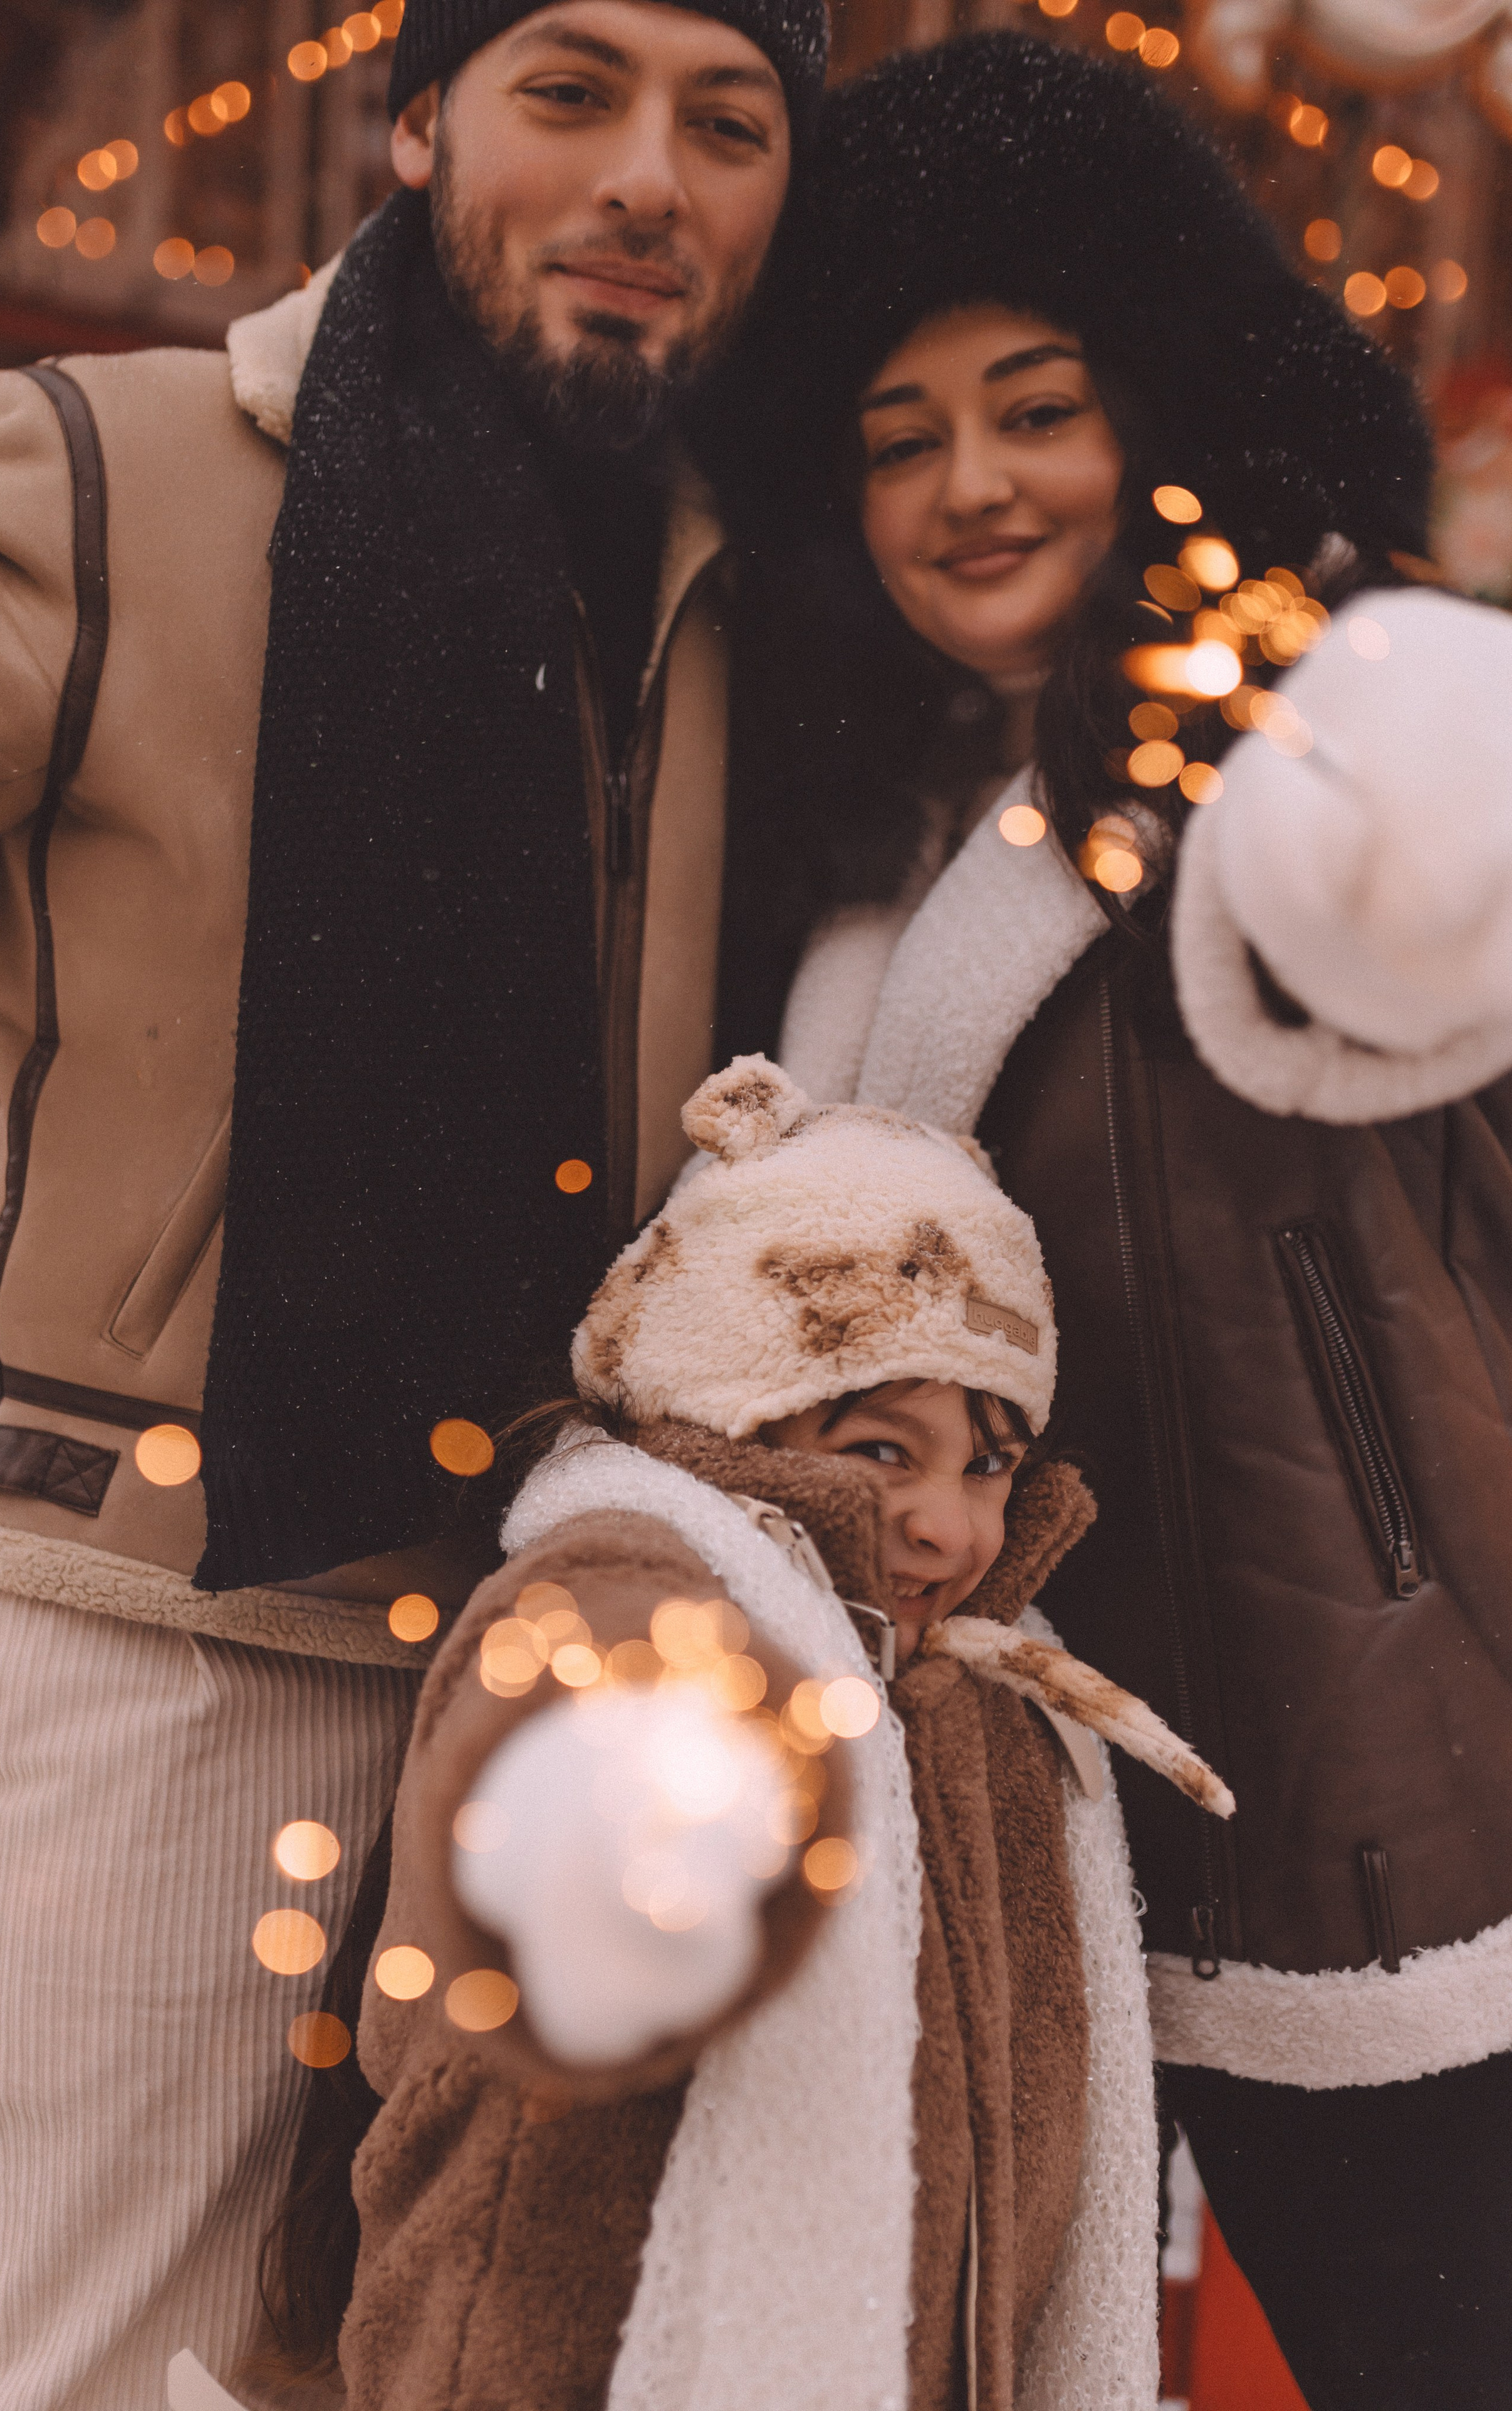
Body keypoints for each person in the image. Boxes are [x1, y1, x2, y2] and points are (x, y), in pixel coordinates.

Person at [0, 0, 823, 2398]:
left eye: (727, 125)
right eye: (572, 89)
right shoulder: (105, 464)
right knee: (74, 2365)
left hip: (539, 1672)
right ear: (416, 123)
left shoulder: (749, 585)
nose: (652, 173)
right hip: (141, 1646)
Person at [746, 33, 1512, 2411]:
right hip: (1048, 1850)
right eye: (899, 435)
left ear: (1160, 416)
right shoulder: (882, 851)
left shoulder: (1260, 749)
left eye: (1037, 403)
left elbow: (1424, 838)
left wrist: (1366, 682)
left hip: (1388, 1838)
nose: (971, 483)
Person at [331, 1054, 1229, 2411]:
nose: (952, 1523)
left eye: (987, 1460)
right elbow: (604, 1691)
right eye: (881, 1449)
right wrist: (645, 1799)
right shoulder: (626, 1573)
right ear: (727, 1412)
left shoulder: (985, 1682)